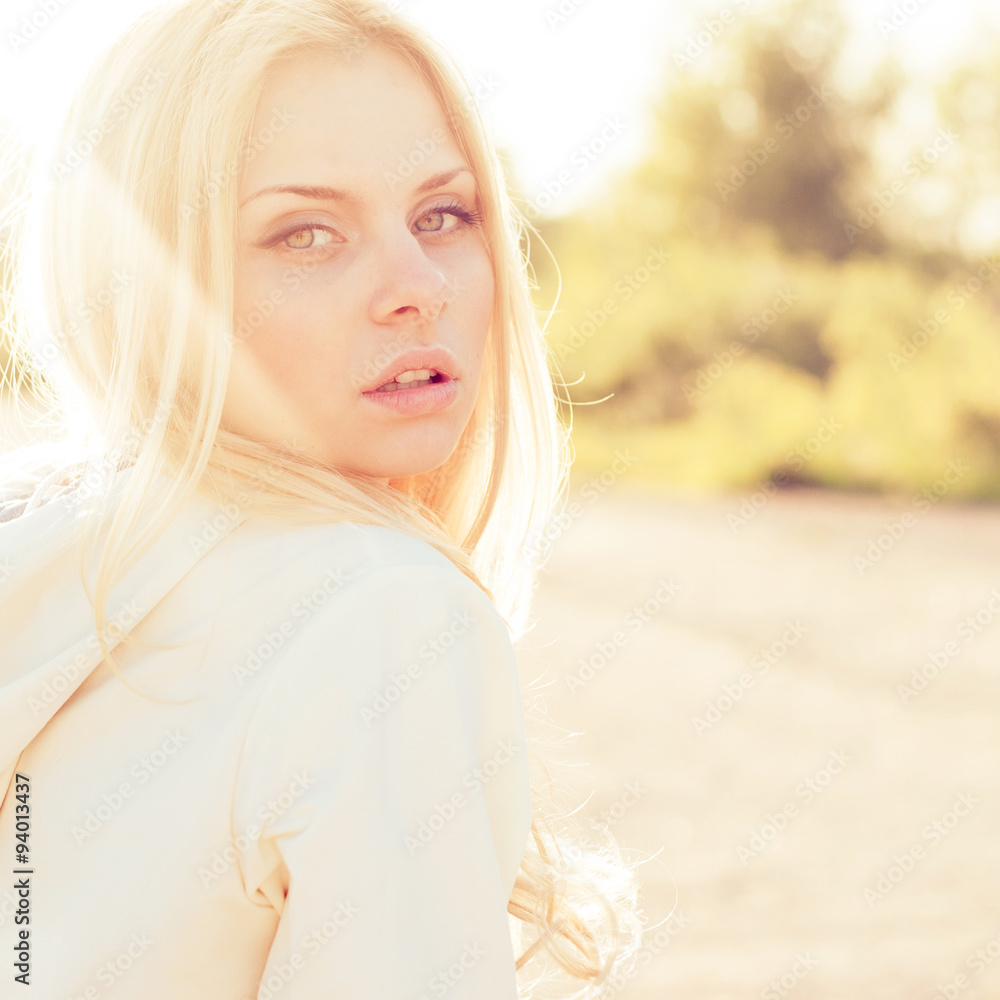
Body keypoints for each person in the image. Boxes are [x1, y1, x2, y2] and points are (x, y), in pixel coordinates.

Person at [0, 0, 642, 996]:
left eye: (442, 214)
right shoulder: (380, 611)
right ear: (153, 287)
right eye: (304, 234)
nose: (417, 284)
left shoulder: (41, 552)